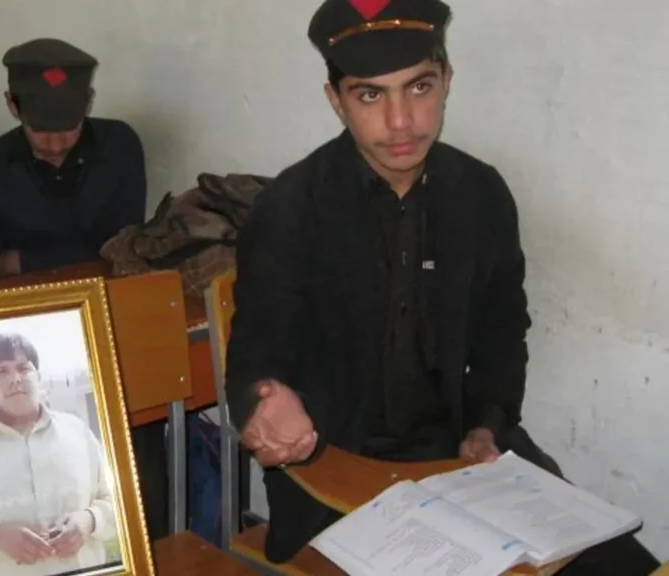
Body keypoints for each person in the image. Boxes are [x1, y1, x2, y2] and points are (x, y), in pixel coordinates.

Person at [224, 0, 661, 574]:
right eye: (371, 95)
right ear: (336, 100)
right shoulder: (289, 209)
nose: (401, 122)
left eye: (420, 86)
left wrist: (487, 425)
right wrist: (265, 402)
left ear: (447, 82)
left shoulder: (481, 195)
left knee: (624, 567)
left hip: (466, 462)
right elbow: (254, 356)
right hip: (339, 469)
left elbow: (504, 334)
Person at [0, 38, 147, 280]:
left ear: (89, 101)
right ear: (12, 105)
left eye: (69, 127)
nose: (56, 146)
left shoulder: (118, 146)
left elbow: (124, 246)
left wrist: (20, 260)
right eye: (40, 129)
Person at [0, 333, 117, 576]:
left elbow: (120, 503)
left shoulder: (78, 434)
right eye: (1, 372)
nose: (15, 379)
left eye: (23, 368)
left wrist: (89, 520)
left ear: (38, 375)